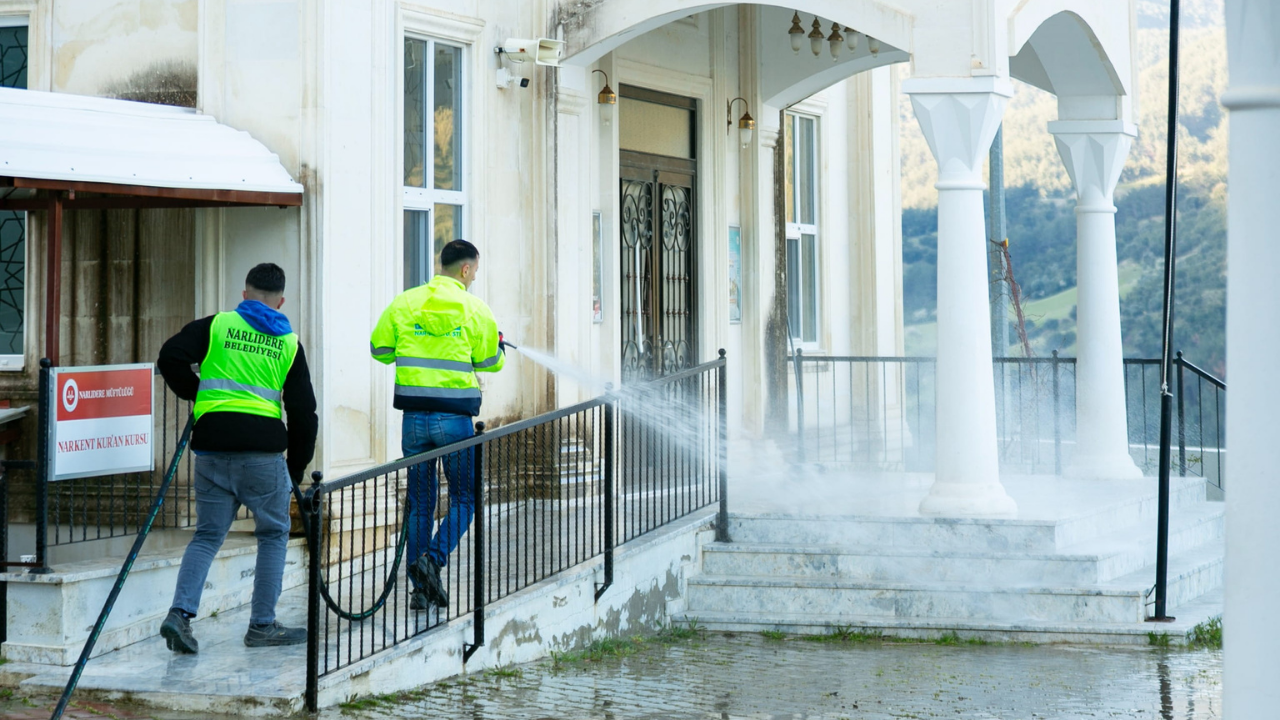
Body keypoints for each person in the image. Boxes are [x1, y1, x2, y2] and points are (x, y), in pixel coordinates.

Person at [156, 263, 318, 653]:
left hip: (212, 449)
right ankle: (262, 625)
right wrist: (295, 468)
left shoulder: (217, 326)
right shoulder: (289, 344)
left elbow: (169, 356)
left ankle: (180, 615)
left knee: (207, 535)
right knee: (273, 534)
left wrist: (197, 392)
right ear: (280, 302)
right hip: (262, 455)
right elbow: (303, 413)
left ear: (244, 295)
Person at [370, 239, 506, 611]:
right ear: (466, 269)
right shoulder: (474, 308)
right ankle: (433, 559)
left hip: (414, 421)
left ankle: (421, 590)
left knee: (420, 504)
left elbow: (380, 350)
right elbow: (490, 362)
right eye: (474, 272)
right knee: (465, 498)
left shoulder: (405, 302)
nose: (474, 278)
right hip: (454, 421)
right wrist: (498, 346)